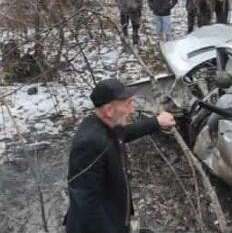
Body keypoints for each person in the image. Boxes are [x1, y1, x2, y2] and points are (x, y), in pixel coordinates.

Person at [64, 78, 175, 233]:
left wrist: (156, 122)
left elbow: (123, 133)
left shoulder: (102, 124)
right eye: (128, 103)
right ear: (109, 110)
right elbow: (86, 203)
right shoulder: (88, 145)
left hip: (115, 218)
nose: (132, 110)